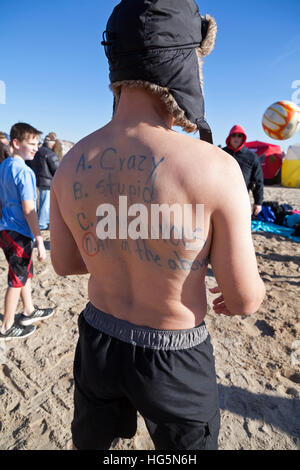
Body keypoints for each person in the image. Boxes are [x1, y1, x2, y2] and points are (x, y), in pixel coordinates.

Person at [50, 0, 265, 450]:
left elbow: (67, 265)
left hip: (98, 340)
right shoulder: (215, 168)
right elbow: (244, 299)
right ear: (186, 66)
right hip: (174, 356)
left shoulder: (71, 163)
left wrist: (116, 243)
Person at [0, 123, 54, 340]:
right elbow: (29, 209)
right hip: (19, 231)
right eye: (31, 144)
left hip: (6, 229)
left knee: (23, 273)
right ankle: (6, 326)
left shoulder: (4, 165)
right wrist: (40, 240)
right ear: (16, 143)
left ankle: (29, 311)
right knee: (17, 279)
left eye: (37, 144)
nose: (36, 148)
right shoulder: (24, 171)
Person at [223, 125, 264, 216]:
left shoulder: (252, 157)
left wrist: (258, 202)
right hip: (221, 197)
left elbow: (258, 182)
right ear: (229, 137)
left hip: (241, 199)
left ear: (243, 138)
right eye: (234, 135)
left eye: (239, 135)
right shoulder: (221, 153)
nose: (236, 138)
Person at [28, 133, 60, 230]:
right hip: (47, 182)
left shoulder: (37, 151)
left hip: (36, 180)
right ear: (52, 143)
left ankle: (42, 221)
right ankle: (42, 223)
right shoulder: (50, 153)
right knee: (45, 204)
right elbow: (56, 169)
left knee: (38, 203)